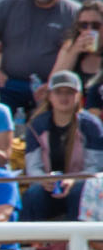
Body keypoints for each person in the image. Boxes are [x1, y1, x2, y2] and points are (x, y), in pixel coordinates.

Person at [22, 68, 103, 220]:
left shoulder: (92, 125)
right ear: (50, 96)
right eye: (58, 92)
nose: (64, 97)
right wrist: (43, 180)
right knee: (34, 194)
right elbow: (33, 167)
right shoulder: (36, 125)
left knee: (80, 191)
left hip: (81, 185)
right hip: (48, 186)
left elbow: (95, 167)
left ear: (78, 96)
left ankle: (78, 241)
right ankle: (36, 241)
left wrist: (73, 180)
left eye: (69, 92)